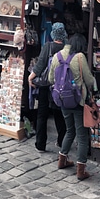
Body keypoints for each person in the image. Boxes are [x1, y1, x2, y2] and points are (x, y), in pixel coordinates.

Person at [49, 33, 96, 180]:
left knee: (70, 131)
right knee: (82, 135)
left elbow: (51, 78)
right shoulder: (80, 57)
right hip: (77, 101)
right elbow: (88, 79)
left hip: (62, 100)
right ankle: (81, 170)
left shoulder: (57, 56)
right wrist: (94, 85)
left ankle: (62, 160)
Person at [28, 22, 68, 152]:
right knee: (59, 114)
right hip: (60, 86)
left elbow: (40, 65)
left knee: (42, 114)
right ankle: (61, 141)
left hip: (46, 85)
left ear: (53, 33)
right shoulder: (67, 48)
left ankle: (40, 144)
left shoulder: (48, 46)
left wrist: (31, 77)